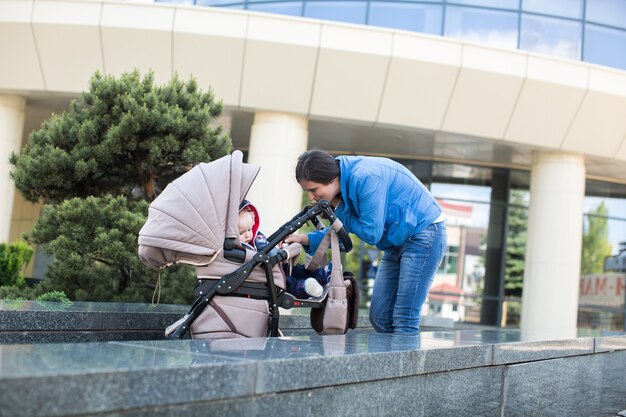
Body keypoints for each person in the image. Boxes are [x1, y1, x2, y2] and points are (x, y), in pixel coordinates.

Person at [285, 149, 447, 334]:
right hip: (397, 239)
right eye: (308, 192)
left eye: (314, 190)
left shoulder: (366, 178)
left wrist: (339, 209)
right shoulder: (342, 183)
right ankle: (391, 361)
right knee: (380, 316)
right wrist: (303, 238)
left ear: (331, 179)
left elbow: (371, 233)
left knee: (405, 316)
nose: (311, 198)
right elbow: (340, 230)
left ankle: (403, 363)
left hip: (424, 234)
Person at [238, 200, 330, 298]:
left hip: (274, 266)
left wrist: (279, 251)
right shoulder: (238, 251)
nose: (248, 235)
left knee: (297, 270)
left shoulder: (257, 238)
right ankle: (304, 287)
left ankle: (320, 275)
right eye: (241, 233)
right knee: (287, 282)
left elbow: (267, 248)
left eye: (249, 230)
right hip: (266, 275)